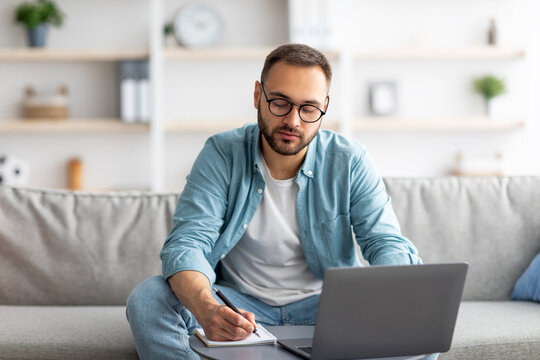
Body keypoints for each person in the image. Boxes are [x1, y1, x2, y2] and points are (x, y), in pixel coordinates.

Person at [126, 43, 435, 360]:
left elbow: (384, 241)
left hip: (330, 305)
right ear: (258, 95)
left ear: (324, 107)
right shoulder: (221, 152)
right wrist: (208, 309)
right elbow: (188, 242)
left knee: (422, 314)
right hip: (240, 305)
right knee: (149, 298)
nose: (294, 121)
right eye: (280, 103)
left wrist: (394, 297)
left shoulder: (350, 159)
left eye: (309, 108)